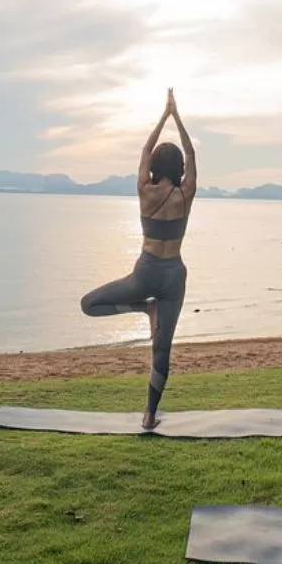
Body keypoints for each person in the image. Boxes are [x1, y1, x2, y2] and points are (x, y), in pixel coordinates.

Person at [79, 88, 197, 429]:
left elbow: (145, 149)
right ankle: (149, 415)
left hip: (145, 272)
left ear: (155, 167)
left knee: (89, 304)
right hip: (174, 273)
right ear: (181, 169)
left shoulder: (145, 192)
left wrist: (164, 115)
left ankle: (143, 308)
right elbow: (189, 150)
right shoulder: (185, 194)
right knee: (162, 350)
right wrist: (178, 117)